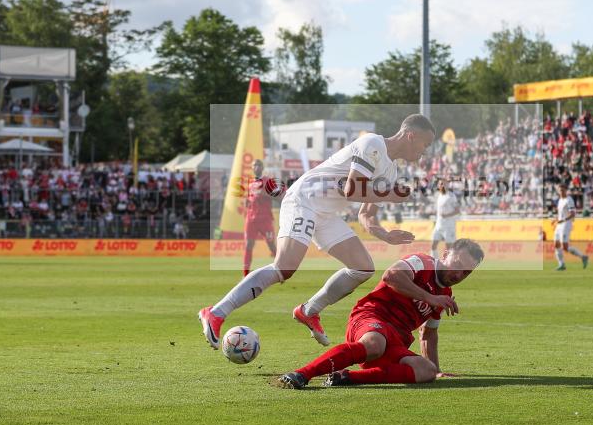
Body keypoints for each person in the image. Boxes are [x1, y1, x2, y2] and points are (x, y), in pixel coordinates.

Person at [199, 114, 436, 349]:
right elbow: (351, 189)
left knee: (362, 267)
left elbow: (366, 215)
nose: (424, 152)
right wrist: (390, 195)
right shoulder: (372, 144)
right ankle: (216, 312)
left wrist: (384, 234)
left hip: (325, 214)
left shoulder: (391, 172)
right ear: (411, 135)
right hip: (304, 200)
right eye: (425, 144)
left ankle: (309, 310)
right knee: (285, 266)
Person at [278, 239, 484, 389]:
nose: (458, 274)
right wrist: (430, 298)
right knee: (375, 344)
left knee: (426, 371)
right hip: (371, 317)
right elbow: (391, 275)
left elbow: (428, 334)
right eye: (457, 265)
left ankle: (347, 378)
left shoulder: (445, 294)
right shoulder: (422, 262)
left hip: (395, 341)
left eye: (466, 272)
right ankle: (302, 374)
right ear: (445, 254)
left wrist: (437, 370)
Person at [241, 159, 280, 276]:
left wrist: (263, 194)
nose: (256, 167)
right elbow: (250, 198)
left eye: (258, 165)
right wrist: (247, 201)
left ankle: (281, 269)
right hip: (251, 218)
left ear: (262, 168)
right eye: (254, 165)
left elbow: (277, 196)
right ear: (252, 168)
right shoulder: (250, 182)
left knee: (271, 245)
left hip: (265, 218)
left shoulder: (268, 181)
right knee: (248, 244)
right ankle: (245, 274)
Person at [551, 183, 588, 271]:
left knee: (565, 247)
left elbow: (573, 214)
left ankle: (583, 257)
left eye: (563, 189)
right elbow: (561, 214)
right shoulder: (560, 200)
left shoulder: (569, 200)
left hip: (566, 224)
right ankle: (561, 264)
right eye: (560, 190)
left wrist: (563, 220)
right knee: (556, 244)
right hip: (559, 224)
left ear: (566, 190)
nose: (561, 191)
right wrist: (555, 219)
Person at [430, 179, 460, 260]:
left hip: (448, 225)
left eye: (444, 184)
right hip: (439, 225)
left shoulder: (451, 196)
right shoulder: (439, 196)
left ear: (447, 185)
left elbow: (457, 210)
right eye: (441, 184)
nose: (442, 185)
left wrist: (446, 215)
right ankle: (434, 263)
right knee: (433, 245)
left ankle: (449, 264)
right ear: (438, 186)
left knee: (449, 248)